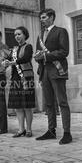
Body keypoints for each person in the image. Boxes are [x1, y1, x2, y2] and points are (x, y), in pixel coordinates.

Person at [34, 8, 72, 144]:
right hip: (45, 72)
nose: (41, 20)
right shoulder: (40, 35)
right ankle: (51, 130)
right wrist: (37, 57)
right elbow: (39, 54)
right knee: (49, 103)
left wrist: (45, 55)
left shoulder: (60, 31)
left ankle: (67, 133)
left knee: (62, 102)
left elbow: (64, 51)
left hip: (57, 71)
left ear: (51, 17)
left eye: (44, 17)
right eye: (41, 18)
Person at [4, 26, 35, 138]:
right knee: (18, 106)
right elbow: (7, 58)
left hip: (26, 78)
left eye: (19, 34)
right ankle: (21, 129)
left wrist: (12, 63)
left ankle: (29, 129)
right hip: (16, 78)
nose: (17, 36)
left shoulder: (28, 46)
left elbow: (26, 58)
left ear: (25, 34)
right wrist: (6, 61)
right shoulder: (14, 49)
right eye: (15, 35)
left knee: (27, 105)